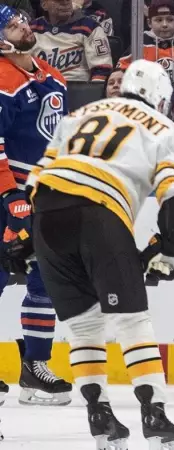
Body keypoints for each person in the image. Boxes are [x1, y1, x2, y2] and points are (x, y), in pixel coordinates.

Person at [25, 59, 174, 449]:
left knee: (85, 326)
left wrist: (22, 239)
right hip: (98, 213)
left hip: (44, 216)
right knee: (133, 320)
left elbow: (38, 177)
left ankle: (99, 415)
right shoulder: (163, 126)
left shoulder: (81, 113)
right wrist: (169, 246)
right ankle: (155, 415)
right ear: (161, 97)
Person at [0, 5, 71, 406]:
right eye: (12, 24)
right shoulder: (1, 78)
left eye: (23, 20)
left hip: (44, 196)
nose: (24, 26)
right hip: (5, 194)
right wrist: (10, 195)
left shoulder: (53, 76)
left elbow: (61, 141)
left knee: (47, 280)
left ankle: (35, 367)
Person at [30, 0, 112, 82]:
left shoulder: (91, 27)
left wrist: (91, 93)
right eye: (58, 1)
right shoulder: (32, 29)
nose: (65, 2)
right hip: (41, 88)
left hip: (77, 90)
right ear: (44, 5)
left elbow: (102, 70)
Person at [118, 0, 174, 85]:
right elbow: (121, 69)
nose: (164, 24)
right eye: (159, 20)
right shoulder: (140, 42)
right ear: (149, 23)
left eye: (170, 20)